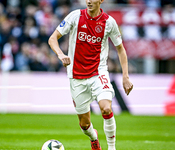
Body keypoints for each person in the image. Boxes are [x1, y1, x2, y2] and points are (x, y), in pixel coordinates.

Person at [48, 0, 133, 150]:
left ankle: (112, 148)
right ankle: (94, 138)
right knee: (85, 125)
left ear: (101, 0)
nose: (88, 1)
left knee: (106, 109)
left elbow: (121, 49)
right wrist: (61, 55)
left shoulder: (109, 22)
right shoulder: (75, 16)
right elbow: (52, 38)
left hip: (98, 73)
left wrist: (125, 76)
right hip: (76, 77)